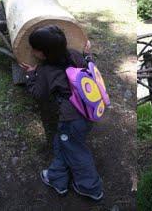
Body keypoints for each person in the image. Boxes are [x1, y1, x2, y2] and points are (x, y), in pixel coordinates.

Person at [20, 25, 103, 200]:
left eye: (34, 48)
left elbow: (38, 94)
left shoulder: (44, 71)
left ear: (42, 53)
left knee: (76, 151)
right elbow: (89, 68)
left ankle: (91, 188)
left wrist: (30, 76)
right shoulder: (74, 54)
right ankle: (56, 178)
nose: (32, 51)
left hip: (71, 120)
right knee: (62, 144)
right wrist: (87, 54)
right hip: (87, 111)